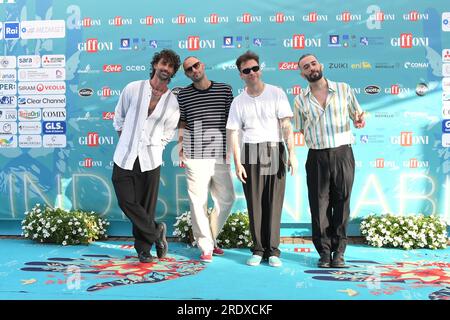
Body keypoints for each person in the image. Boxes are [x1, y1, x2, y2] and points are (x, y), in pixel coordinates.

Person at [226, 51, 297, 267]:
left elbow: (286, 125)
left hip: (274, 149)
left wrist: (291, 153)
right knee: (254, 203)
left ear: (260, 69)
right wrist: (237, 163)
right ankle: (258, 249)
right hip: (250, 152)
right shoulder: (238, 102)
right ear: (241, 75)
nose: (252, 73)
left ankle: (273, 251)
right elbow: (233, 133)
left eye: (255, 68)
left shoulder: (276, 93)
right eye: (246, 70)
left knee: (273, 202)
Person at [294, 54, 365, 268]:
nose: (311, 68)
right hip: (316, 156)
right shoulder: (299, 100)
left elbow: (358, 115)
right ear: (302, 73)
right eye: (306, 67)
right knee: (319, 205)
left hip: (343, 152)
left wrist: (360, 119)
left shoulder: (344, 89)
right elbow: (299, 127)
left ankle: (339, 252)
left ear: (320, 65)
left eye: (313, 63)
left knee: (342, 202)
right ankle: (324, 252)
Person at [112, 49, 181, 263]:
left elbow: (170, 130)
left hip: (150, 159)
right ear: (155, 65)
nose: (165, 69)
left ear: (173, 72)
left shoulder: (171, 101)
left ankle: (144, 250)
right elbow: (119, 116)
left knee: (146, 204)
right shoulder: (133, 88)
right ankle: (156, 231)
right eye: (163, 64)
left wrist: (157, 146)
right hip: (125, 155)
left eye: (170, 67)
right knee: (126, 201)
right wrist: (127, 140)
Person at [177, 56, 236, 263]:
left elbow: (232, 121)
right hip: (194, 156)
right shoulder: (183, 95)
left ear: (203, 65)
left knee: (227, 199)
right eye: (189, 69)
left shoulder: (225, 90)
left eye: (196, 65)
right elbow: (183, 121)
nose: (194, 70)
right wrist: (181, 145)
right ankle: (206, 246)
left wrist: (231, 149)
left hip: (220, 154)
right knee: (197, 202)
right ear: (186, 74)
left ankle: (211, 238)